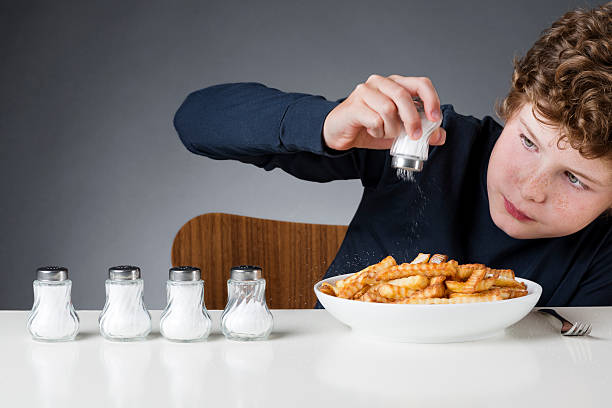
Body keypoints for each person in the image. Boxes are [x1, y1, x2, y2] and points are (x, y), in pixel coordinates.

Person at [173, 3, 612, 306]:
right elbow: (196, 120)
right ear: (512, 107)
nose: (531, 189)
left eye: (576, 178)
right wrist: (327, 123)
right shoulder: (430, 143)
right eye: (528, 142)